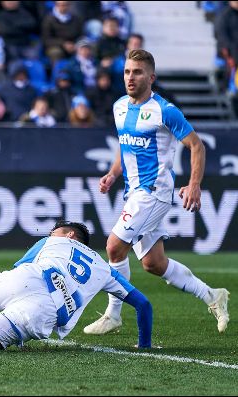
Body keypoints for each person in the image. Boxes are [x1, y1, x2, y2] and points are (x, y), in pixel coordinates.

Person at [83, 49, 230, 335]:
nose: (130, 77)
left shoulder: (165, 110)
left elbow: (196, 145)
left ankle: (113, 314)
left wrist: (194, 184)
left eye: (137, 72)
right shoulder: (119, 107)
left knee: (114, 246)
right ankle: (213, 296)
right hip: (133, 192)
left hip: (153, 193)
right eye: (126, 71)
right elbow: (124, 144)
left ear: (151, 77)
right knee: (153, 263)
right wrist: (113, 174)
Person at [0, 221, 153, 352]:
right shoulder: (105, 269)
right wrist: (144, 345)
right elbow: (143, 304)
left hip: (30, 277)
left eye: (56, 228)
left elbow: (20, 267)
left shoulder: (51, 241)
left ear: (70, 234)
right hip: (49, 310)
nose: (51, 231)